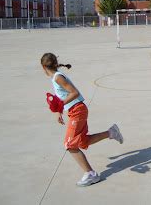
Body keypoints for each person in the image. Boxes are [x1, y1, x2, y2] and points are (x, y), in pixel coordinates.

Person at [41, 53, 123, 186]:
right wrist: (59, 111)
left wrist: (60, 105)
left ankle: (91, 174)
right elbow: (64, 96)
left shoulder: (58, 78)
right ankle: (111, 132)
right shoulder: (56, 77)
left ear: (43, 67)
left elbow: (74, 92)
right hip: (76, 110)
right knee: (82, 141)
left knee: (70, 145)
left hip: (77, 110)